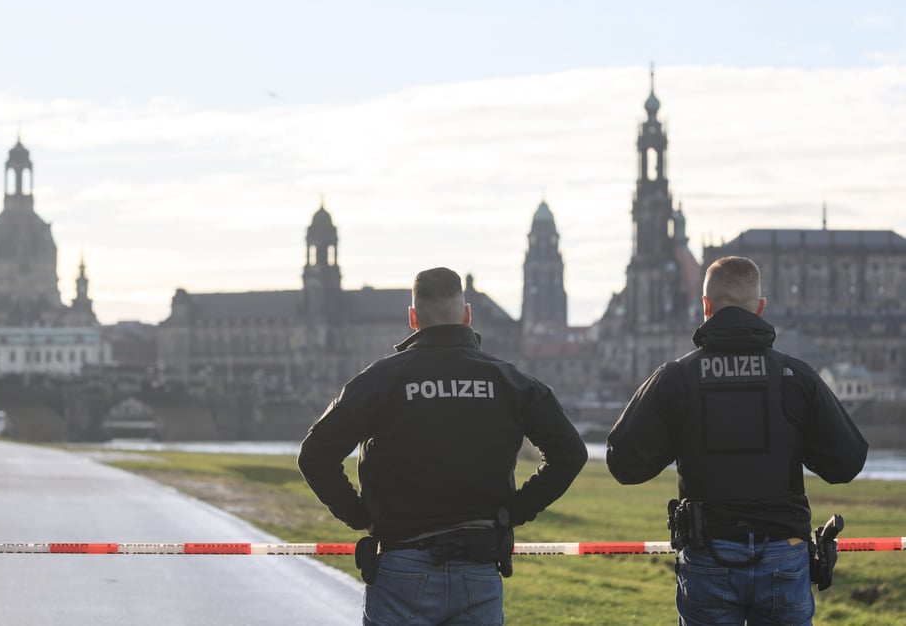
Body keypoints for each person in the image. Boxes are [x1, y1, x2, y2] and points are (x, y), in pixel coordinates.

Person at [298, 266, 588, 626]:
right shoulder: (510, 380)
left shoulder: (379, 380)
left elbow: (315, 455)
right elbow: (570, 453)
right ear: (467, 315)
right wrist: (514, 512)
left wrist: (358, 515)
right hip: (478, 565)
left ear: (413, 318)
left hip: (401, 563)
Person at [606, 255, 868, 626]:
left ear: (706, 306)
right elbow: (848, 462)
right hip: (784, 550)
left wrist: (677, 438)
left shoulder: (677, 377)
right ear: (760, 308)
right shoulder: (795, 376)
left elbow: (622, 462)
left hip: (709, 552)